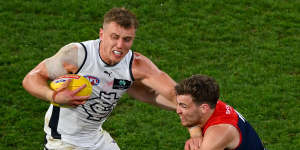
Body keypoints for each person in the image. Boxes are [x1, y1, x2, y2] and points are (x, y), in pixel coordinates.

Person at [22, 7, 180, 150]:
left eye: (127, 39)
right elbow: (31, 78)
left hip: (95, 137)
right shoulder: (78, 55)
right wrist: (53, 96)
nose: (120, 45)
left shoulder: (136, 64)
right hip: (63, 140)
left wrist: (192, 119)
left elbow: (170, 94)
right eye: (114, 37)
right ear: (102, 34)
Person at [175, 75, 266, 150]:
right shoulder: (210, 103)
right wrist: (195, 135)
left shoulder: (217, 134)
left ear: (204, 108)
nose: (177, 111)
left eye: (184, 106)